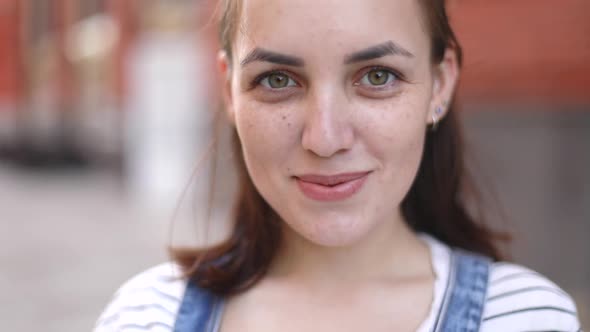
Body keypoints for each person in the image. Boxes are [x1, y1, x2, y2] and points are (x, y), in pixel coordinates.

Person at [94, 0, 582, 331]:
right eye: (278, 79)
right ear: (228, 91)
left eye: (377, 75)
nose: (325, 139)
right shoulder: (146, 317)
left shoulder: (522, 318)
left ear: (439, 83)